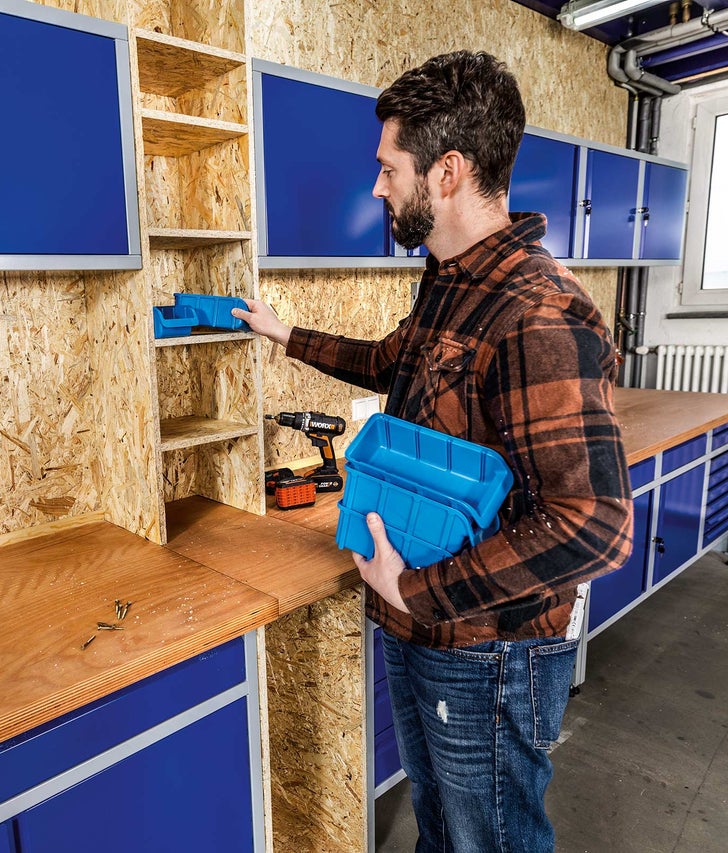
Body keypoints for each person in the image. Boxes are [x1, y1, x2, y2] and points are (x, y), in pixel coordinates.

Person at [233, 51, 634, 852]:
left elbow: (597, 523)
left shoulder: (539, 314)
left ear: (446, 172)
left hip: (488, 651)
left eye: (390, 168)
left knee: (488, 838)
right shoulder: (452, 279)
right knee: (444, 829)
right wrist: (284, 335)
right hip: (421, 624)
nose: (378, 186)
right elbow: (395, 362)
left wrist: (422, 587)